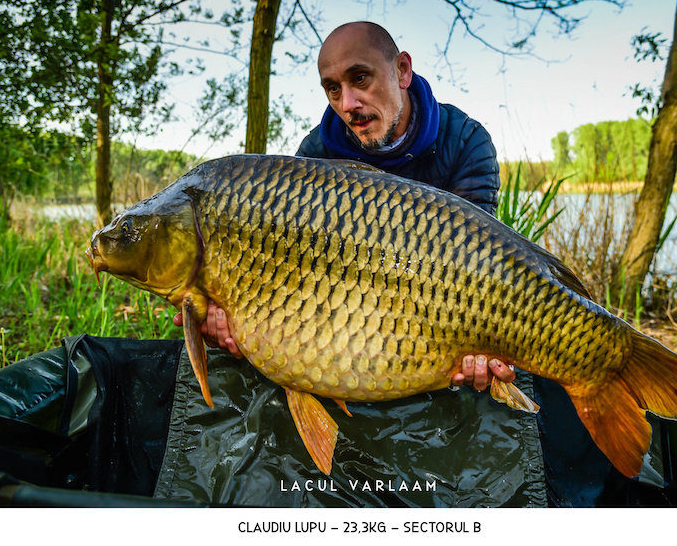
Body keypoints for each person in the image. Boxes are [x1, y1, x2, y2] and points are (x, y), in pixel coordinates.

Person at [173, 21, 512, 391]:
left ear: (402, 70)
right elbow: (295, 281)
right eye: (333, 89)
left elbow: (478, 269)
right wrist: (246, 326)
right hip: (350, 325)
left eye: (361, 79)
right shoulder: (313, 158)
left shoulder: (465, 142)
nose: (347, 105)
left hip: (437, 312)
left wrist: (485, 344)